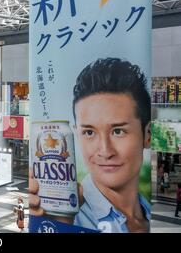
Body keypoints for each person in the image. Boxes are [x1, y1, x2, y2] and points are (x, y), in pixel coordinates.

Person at [29, 58, 151, 233]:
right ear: (76, 134)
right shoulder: (66, 217)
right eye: (89, 132)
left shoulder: (147, 211)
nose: (105, 151)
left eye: (118, 131)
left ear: (147, 135)